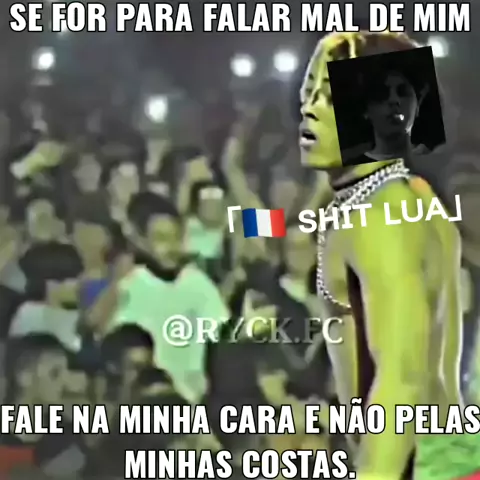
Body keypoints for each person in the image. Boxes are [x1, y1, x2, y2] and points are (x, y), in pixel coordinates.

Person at [299, 31, 463, 479]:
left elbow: (403, 377)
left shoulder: (378, 215)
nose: (309, 108)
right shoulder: (410, 195)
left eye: (329, 95)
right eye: (308, 91)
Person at [92, 192, 230, 404]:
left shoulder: (198, 283)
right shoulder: (129, 285)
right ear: (140, 240)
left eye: (176, 238)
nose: (171, 247)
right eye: (161, 238)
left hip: (196, 403)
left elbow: (222, 333)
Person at [9, 242, 83, 353]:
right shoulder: (32, 314)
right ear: (50, 284)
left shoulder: (69, 311)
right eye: (74, 278)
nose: (79, 284)